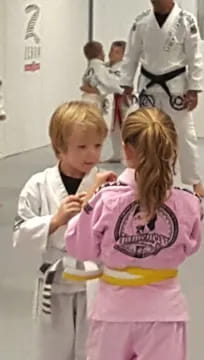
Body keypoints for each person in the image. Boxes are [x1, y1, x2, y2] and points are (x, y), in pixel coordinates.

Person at [65, 107, 203, 360]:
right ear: (173, 149)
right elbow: (191, 246)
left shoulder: (105, 200)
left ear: (127, 150)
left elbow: (78, 248)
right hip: (164, 313)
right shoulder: (188, 203)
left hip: (113, 313)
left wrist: (91, 198)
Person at [12, 101, 109, 360]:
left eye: (98, 145)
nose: (92, 154)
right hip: (55, 286)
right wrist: (54, 221)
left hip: (94, 284)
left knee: (93, 352)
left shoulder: (107, 186)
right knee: (52, 351)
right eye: (82, 147)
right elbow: (19, 236)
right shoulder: (38, 185)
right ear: (59, 149)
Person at [121, 0, 204, 198]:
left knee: (184, 134)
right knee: (144, 134)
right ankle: (139, 176)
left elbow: (195, 57)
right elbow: (131, 54)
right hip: (148, 86)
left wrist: (194, 89)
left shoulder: (186, 21)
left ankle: (194, 180)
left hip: (175, 86)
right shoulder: (141, 22)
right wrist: (126, 83)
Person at [81, 41, 123, 113]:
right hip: (95, 102)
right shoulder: (101, 67)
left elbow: (119, 87)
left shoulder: (123, 70)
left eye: (117, 52)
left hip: (117, 105)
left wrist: (97, 90)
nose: (111, 54)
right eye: (111, 51)